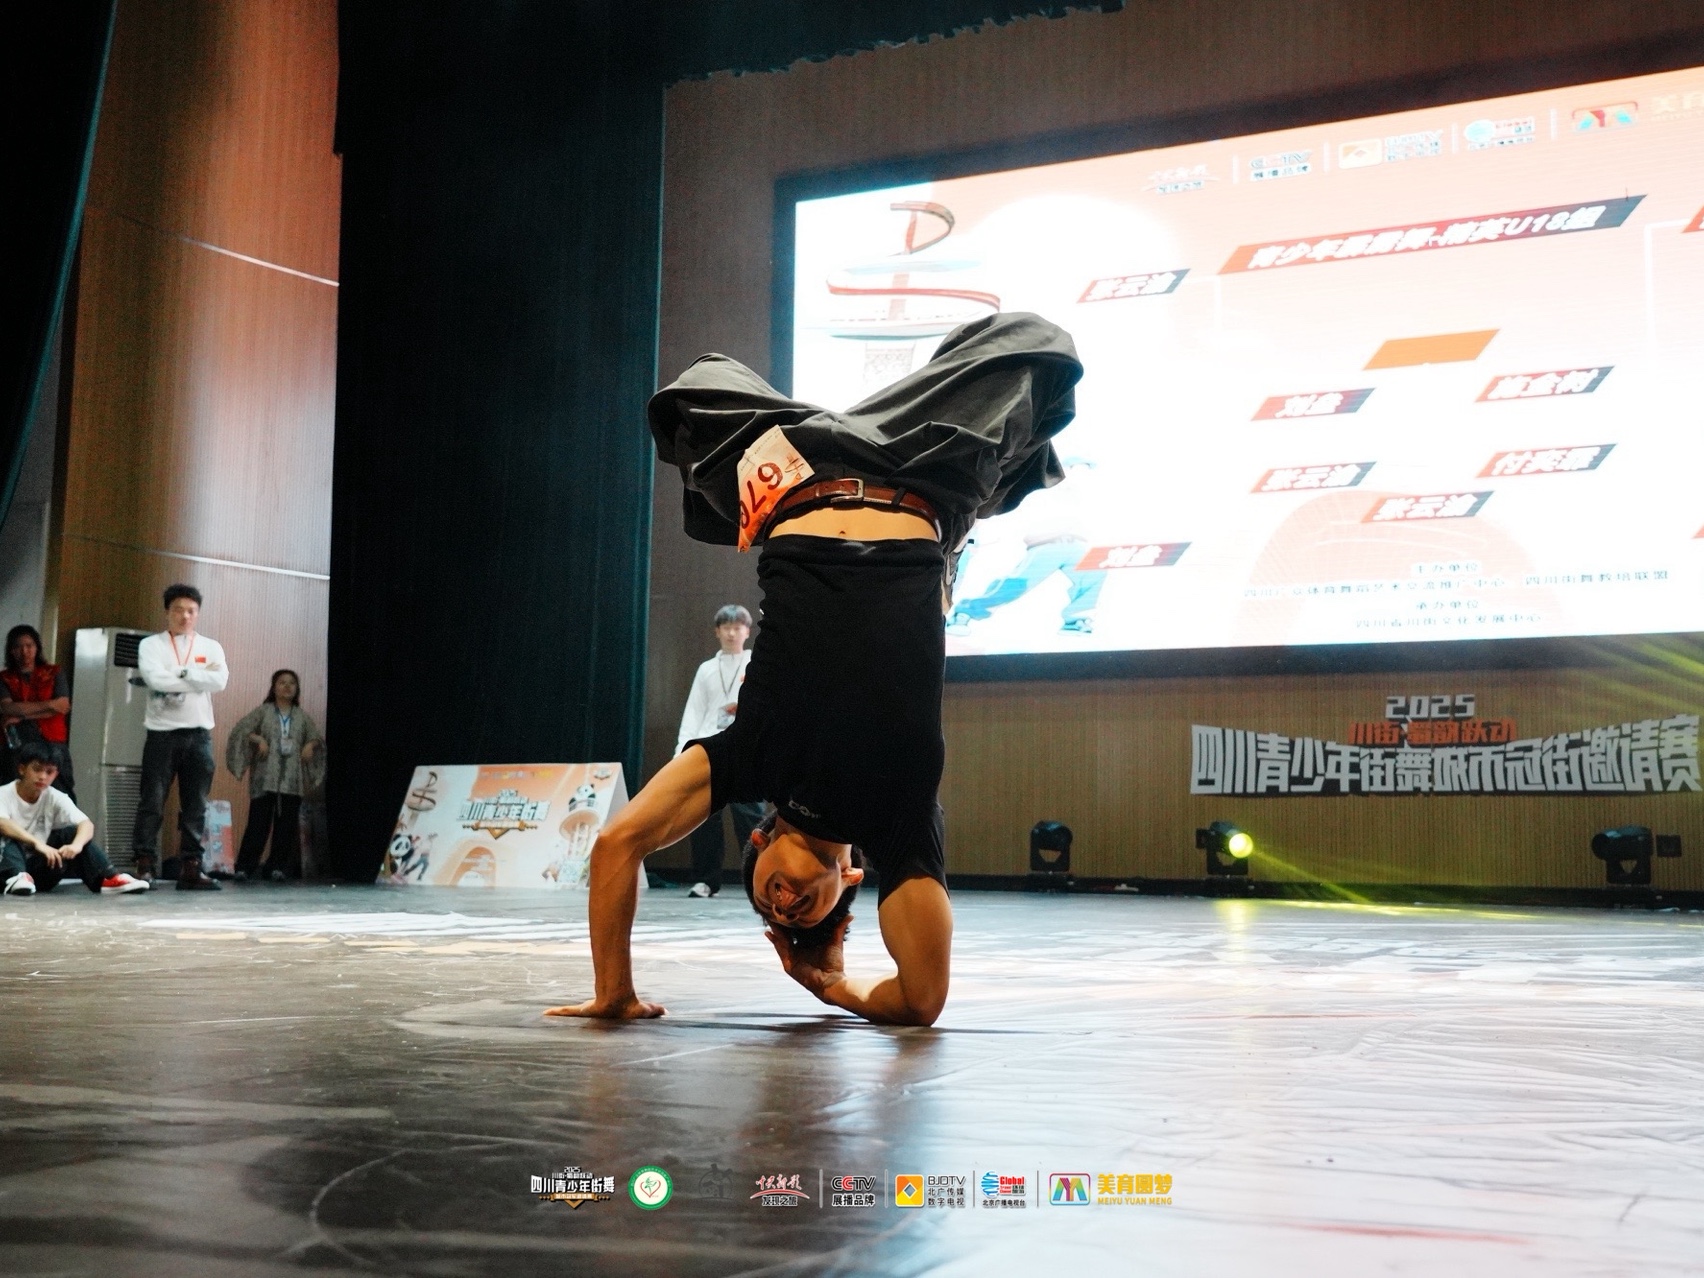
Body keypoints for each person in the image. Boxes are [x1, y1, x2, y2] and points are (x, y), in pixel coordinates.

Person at [547, 311, 1081, 1027]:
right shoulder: (901, 825)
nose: (784, 906)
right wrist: (830, 985)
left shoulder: (751, 761)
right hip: (921, 474)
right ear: (850, 878)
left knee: (693, 394)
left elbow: (617, 845)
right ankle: (962, 505)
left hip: (806, 472)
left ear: (758, 842)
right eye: (803, 913)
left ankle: (896, 455)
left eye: (768, 903)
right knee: (1037, 350)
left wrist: (615, 991)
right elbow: (921, 1000)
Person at [133, 584, 229, 889]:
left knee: (196, 804)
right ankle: (145, 865)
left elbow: (220, 681)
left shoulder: (211, 647)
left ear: (197, 614)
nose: (185, 616)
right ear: (167, 612)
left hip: (199, 733)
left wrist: (182, 673)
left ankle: (191, 867)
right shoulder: (151, 645)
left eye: (191, 611)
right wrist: (198, 678)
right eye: (178, 610)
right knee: (152, 800)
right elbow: (154, 679)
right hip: (162, 733)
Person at [675, 604, 766, 897]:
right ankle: (706, 880)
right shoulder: (707, 669)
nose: (731, 633)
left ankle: (760, 877)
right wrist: (681, 750)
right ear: (717, 632)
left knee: (750, 817)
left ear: (747, 631)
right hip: (708, 747)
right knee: (704, 817)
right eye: (726, 627)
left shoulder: (755, 663)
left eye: (737, 627)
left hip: (745, 748)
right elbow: (694, 711)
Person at [1, 741, 149, 895]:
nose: (42, 777)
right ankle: (16, 876)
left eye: (49, 772)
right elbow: (3, 823)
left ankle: (107, 878)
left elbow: (86, 824)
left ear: (56, 774)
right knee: (6, 835)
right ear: (22, 769)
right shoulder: (3, 794)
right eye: (37, 770)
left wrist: (76, 846)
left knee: (71, 833)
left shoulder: (55, 797)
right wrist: (37, 843)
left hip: (38, 872)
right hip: (4, 870)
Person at [225, 669, 322, 882]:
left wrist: (311, 744)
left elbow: (316, 737)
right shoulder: (264, 711)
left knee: (286, 826)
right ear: (274, 687)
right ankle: (245, 867)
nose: (287, 686)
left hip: (292, 779)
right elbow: (241, 730)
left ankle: (277, 867)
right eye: (282, 682)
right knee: (257, 823)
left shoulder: (301, 716)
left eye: (291, 683)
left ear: (297, 689)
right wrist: (258, 739)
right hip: (265, 777)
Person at [0, 624, 76, 799]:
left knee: (60, 792)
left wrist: (21, 715)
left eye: (29, 646)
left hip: (52, 739)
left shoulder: (54, 672)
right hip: (18, 742)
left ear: (37, 648)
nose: (24, 652)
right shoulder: (4, 678)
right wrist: (49, 706)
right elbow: (8, 707)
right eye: (18, 647)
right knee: (16, 791)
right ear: (11, 650)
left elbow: (62, 705)